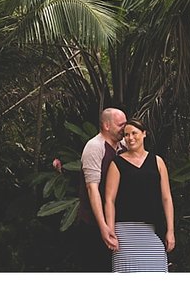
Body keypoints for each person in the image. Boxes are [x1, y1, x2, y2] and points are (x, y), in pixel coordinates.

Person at [103, 118, 175, 272]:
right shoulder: (117, 163)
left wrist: (170, 230)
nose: (130, 138)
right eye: (126, 135)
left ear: (144, 134)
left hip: (152, 231)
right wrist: (110, 230)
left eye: (134, 133)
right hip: (123, 232)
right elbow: (109, 200)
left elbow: (167, 198)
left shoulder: (157, 162)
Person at [77, 107, 127, 270]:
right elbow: (92, 189)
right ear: (107, 126)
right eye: (121, 125)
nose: (125, 129)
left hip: (118, 221)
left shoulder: (124, 145)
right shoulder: (94, 147)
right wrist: (103, 227)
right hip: (93, 223)